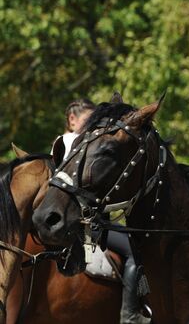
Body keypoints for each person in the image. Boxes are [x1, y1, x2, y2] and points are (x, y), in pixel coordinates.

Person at [52, 99, 150, 324]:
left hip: (69, 219)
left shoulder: (58, 144)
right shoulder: (76, 141)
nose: (92, 126)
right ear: (72, 120)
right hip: (89, 224)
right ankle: (130, 314)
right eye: (88, 121)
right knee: (134, 252)